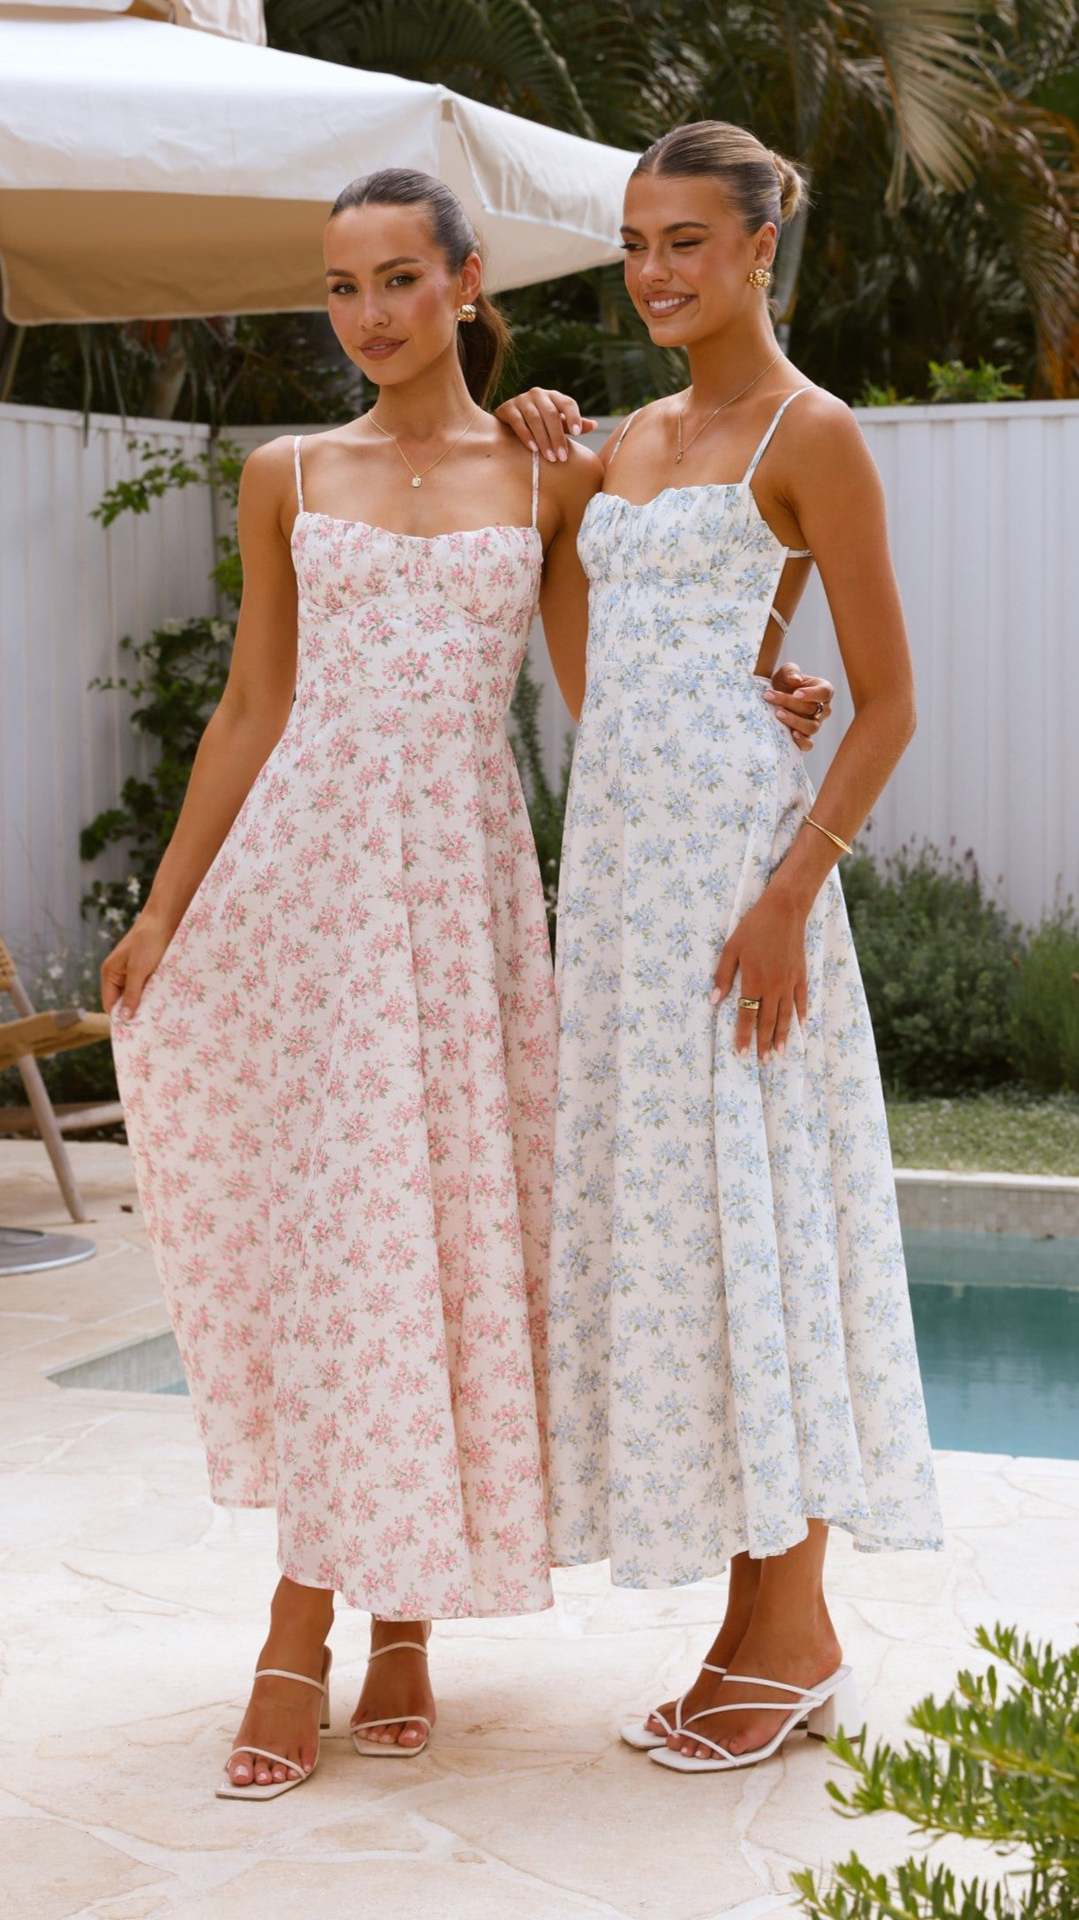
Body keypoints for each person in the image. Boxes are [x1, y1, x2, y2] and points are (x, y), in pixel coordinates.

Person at [103, 159, 840, 1797]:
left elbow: (609, 680)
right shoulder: (288, 473)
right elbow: (252, 707)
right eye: (340, 287)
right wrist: (167, 908)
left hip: (465, 904)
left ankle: (408, 1624)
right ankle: (297, 1630)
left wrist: (758, 691)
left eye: (397, 279)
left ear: (466, 282)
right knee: (340, 1254)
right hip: (315, 900)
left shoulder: (548, 478)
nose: (367, 315)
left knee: (435, 1257)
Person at [495, 120, 943, 1774]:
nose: (654, 272)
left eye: (686, 240)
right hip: (623, 886)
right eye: (634, 243)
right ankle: (763, 1639)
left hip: (745, 897)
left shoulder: (812, 434)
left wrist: (786, 894)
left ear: (761, 246)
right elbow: (595, 656)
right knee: (694, 1241)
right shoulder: (627, 440)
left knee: (763, 1234)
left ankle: (794, 1635)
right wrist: (542, 464)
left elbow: (886, 704)